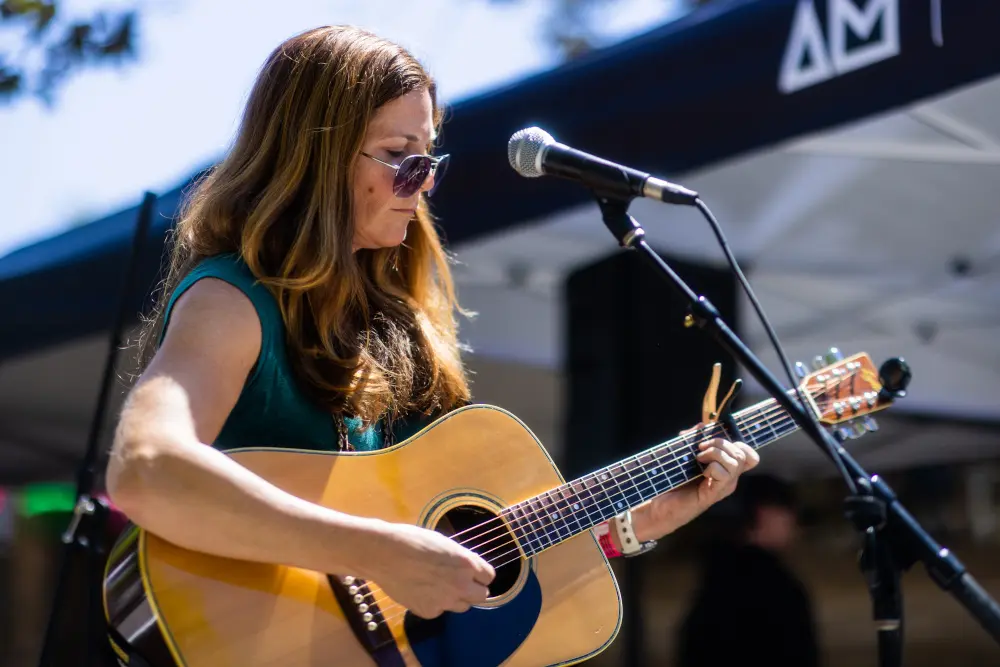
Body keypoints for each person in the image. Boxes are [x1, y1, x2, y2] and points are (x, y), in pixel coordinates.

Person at [105, 24, 759, 628]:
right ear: (317, 157)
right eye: (402, 157)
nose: (422, 186)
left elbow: (465, 555)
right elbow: (145, 467)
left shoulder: (393, 331)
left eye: (431, 164)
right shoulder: (231, 300)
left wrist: (635, 523)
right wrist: (375, 551)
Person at [675, 473, 820, 667]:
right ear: (763, 513)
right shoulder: (777, 587)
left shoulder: (714, 576)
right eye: (787, 511)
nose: (793, 523)